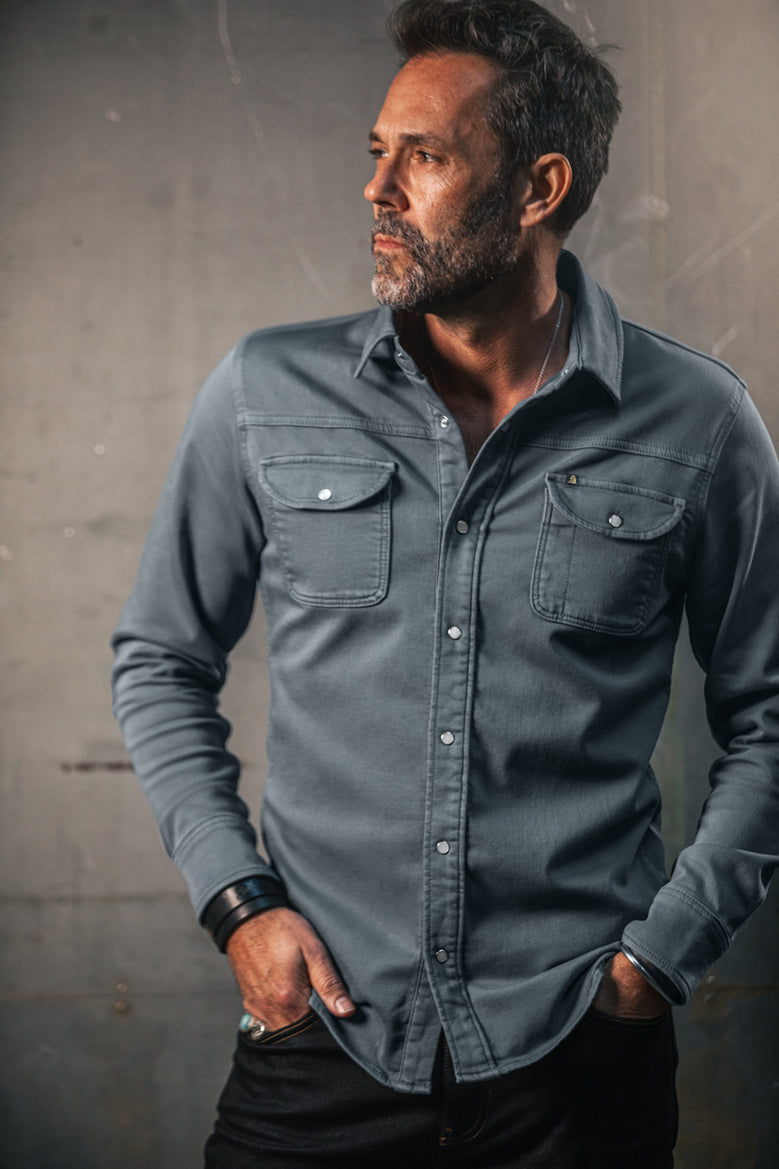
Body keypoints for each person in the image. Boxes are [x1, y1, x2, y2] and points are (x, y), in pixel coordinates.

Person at [111, 1, 779, 1165]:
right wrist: (238, 904)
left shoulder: (697, 422)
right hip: (322, 1033)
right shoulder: (265, 391)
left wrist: (655, 959)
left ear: (536, 188)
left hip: (578, 1055)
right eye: (378, 151)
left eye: (420, 157)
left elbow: (770, 714)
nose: (375, 189)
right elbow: (160, 661)